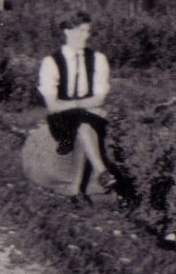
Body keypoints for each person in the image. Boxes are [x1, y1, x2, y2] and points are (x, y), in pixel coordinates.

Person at [36, 10, 117, 197]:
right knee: (81, 121)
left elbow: (100, 98)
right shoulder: (51, 62)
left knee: (83, 125)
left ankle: (77, 187)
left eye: (87, 31)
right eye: (80, 31)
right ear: (67, 31)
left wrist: (74, 104)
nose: (85, 36)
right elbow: (52, 105)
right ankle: (101, 172)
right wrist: (82, 105)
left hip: (89, 117)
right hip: (61, 120)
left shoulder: (98, 60)